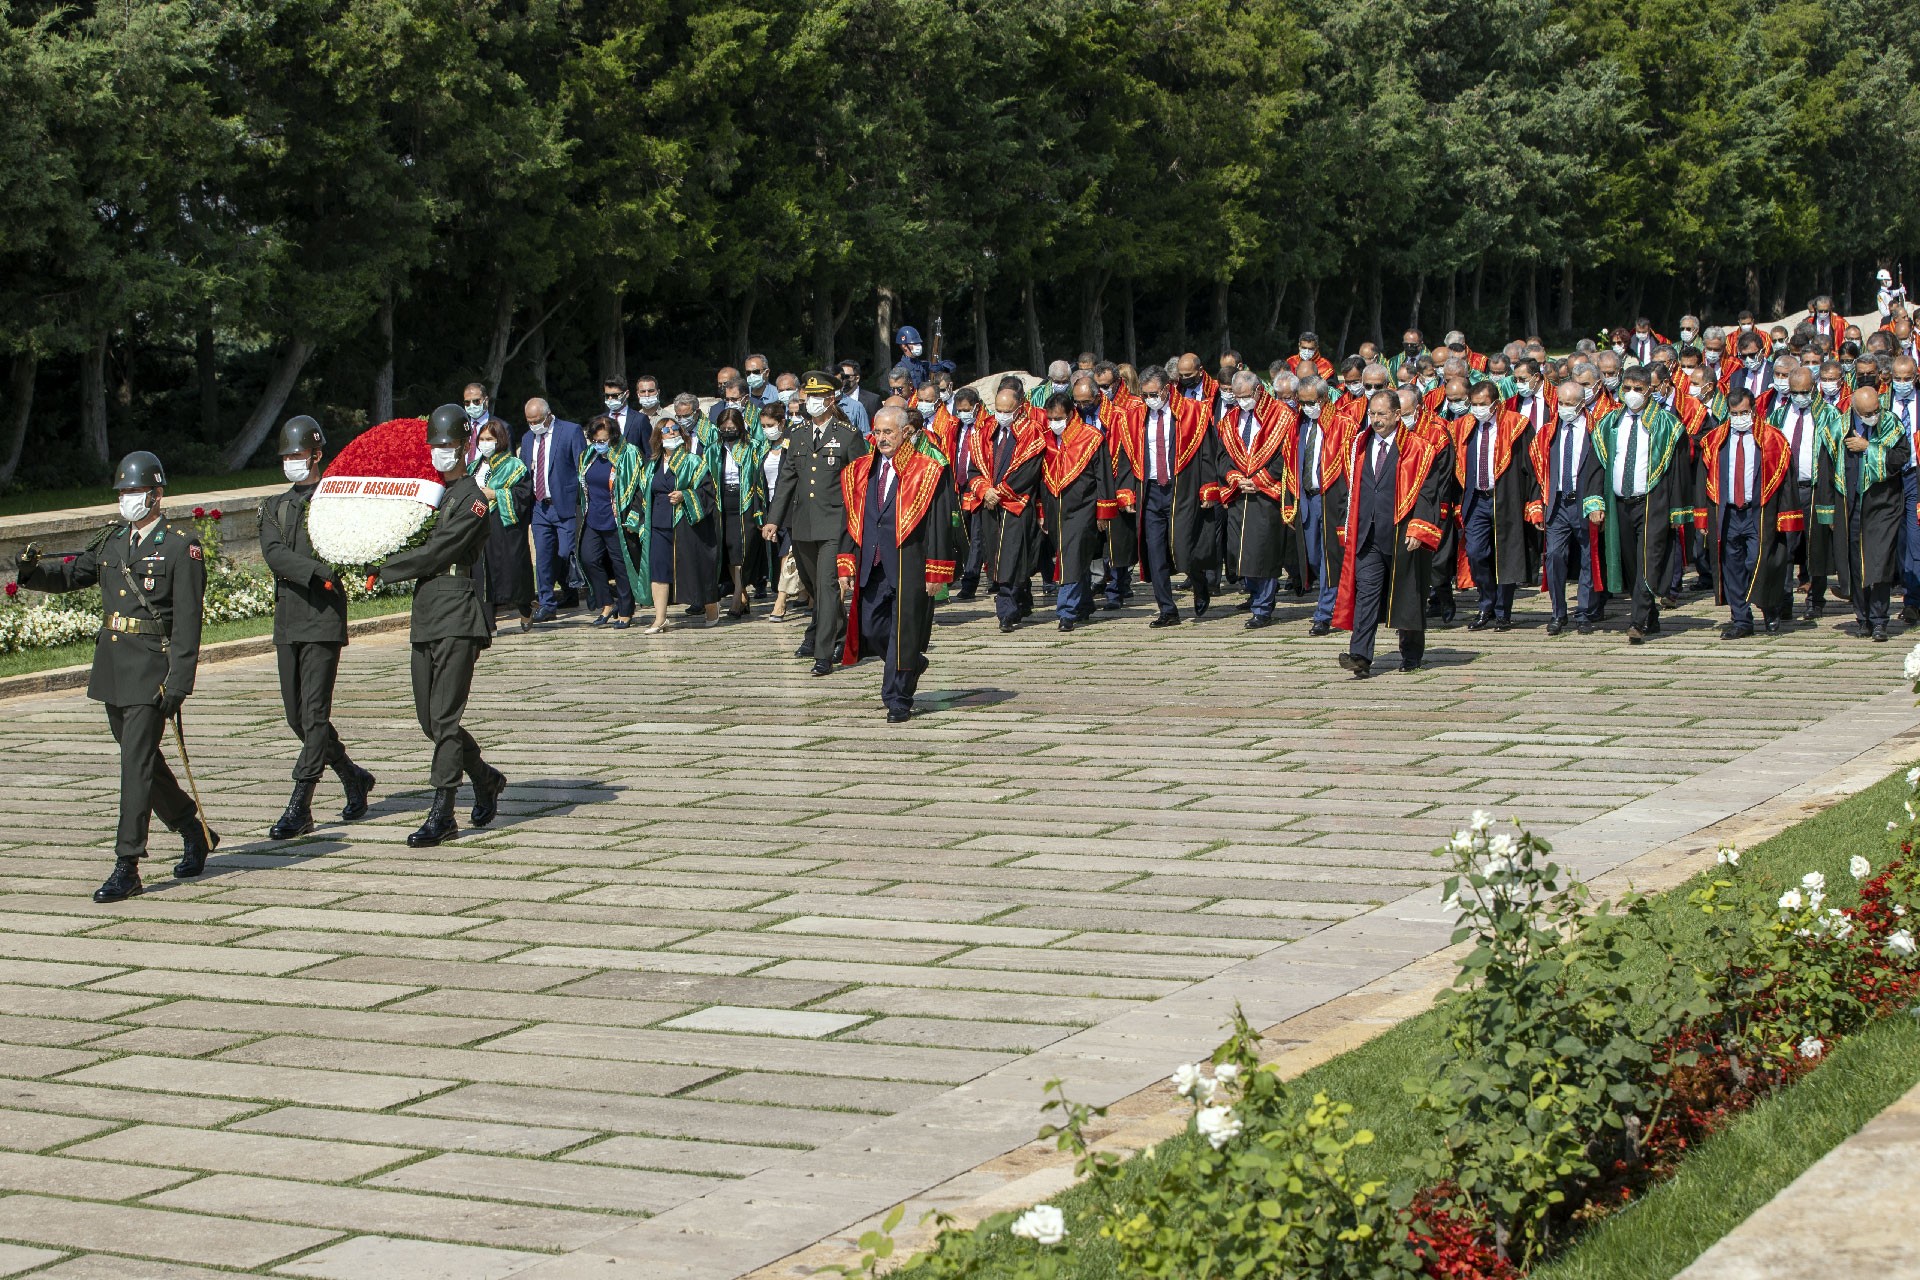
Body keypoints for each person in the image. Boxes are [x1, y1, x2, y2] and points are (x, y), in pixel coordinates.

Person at [15, 451, 214, 901]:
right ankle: (193, 829)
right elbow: (72, 575)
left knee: (134, 764)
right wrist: (31, 573)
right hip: (113, 668)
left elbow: (188, 622)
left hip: (151, 670)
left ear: (156, 494)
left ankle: (128, 864)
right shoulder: (111, 542)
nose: (127, 499)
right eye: (122, 492)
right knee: (142, 761)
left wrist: (180, 681)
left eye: (135, 491)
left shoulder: (182, 545)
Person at [369, 406, 505, 848]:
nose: (440, 453)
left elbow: (440, 550)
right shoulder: (433, 496)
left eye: (448, 445)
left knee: (445, 720)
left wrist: (385, 567)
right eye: (435, 446)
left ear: (464, 447)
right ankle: (484, 777)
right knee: (431, 722)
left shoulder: (473, 499)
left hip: (456, 612)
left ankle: (443, 811)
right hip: (427, 612)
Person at [258, 417, 377, 840]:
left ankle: (301, 804)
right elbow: (273, 554)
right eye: (286, 456)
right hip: (289, 617)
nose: (291, 462)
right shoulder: (275, 506)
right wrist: (317, 572)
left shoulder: (336, 498)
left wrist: (331, 574)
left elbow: (355, 539)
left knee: (314, 714)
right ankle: (351, 774)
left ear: (315, 454)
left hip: (323, 617)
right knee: (297, 718)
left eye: (297, 455)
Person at [835, 406, 956, 722]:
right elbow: (851, 521)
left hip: (910, 565)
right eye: (878, 432)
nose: (882, 438)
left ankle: (898, 699)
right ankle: (911, 661)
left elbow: (940, 526)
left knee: (904, 633)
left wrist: (937, 570)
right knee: (872, 628)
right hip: (872, 566)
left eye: (889, 432)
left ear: (906, 433)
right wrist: (846, 564)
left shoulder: (929, 470)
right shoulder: (860, 470)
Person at [1333, 392, 1446, 677]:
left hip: (1402, 532)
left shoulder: (1418, 448)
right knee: (1366, 594)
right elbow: (1350, 488)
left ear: (1397, 415)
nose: (1376, 420)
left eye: (1382, 414)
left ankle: (1411, 654)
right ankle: (1360, 655)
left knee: (1408, 595)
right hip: (1367, 534)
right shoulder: (1358, 444)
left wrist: (1419, 527)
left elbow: (1427, 492)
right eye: (1372, 414)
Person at [766, 371, 867, 673]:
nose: (811, 402)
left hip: (835, 524)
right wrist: (774, 519)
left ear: (831, 399)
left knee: (826, 587)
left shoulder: (848, 435)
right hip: (803, 524)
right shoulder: (796, 435)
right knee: (812, 586)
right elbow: (787, 480)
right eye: (808, 397)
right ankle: (843, 632)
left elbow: (859, 482)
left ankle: (823, 654)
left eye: (817, 397)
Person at [1589, 367, 1691, 643]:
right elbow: (1597, 465)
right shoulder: (1609, 423)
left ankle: (1637, 622)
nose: (1632, 394)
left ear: (1650, 390)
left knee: (1649, 560)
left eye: (1638, 388)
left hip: (1652, 502)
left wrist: (1677, 510)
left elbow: (1679, 473)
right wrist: (1595, 502)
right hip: (1620, 502)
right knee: (1632, 563)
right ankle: (1650, 615)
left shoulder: (1667, 425)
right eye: (1627, 388)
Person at [1119, 367, 1221, 626]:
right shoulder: (1135, 417)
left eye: (1154, 393)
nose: (1149, 399)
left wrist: (1209, 487)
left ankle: (1199, 583)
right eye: (1145, 395)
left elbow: (1207, 454)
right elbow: (1126, 458)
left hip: (1181, 488)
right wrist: (1126, 492)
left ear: (1167, 388)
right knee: (1154, 552)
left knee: (1184, 548)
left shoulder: (1193, 412)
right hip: (1150, 490)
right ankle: (1168, 609)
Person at [1696, 389, 1795, 639]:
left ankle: (1770, 607)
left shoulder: (1773, 440)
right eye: (1734, 413)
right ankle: (1741, 619)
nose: (1740, 418)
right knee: (1732, 567)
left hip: (1758, 513)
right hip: (1727, 513)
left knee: (1758, 562)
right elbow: (1702, 483)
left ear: (1754, 410)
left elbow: (1785, 483)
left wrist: (1786, 518)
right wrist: (1702, 519)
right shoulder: (1715, 440)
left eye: (1744, 413)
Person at [1214, 371, 1294, 629]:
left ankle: (1263, 606)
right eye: (1237, 398)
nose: (1242, 402)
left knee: (1264, 551)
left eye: (1246, 397)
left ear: (1259, 391)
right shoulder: (1229, 420)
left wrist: (1261, 479)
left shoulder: (1282, 416)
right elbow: (1222, 455)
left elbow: (1286, 454)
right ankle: (1253, 594)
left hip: (1266, 493)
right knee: (1240, 551)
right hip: (1239, 493)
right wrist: (1235, 477)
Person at [1454, 381, 1535, 631]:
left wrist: (1532, 501)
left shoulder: (1515, 425)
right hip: (1477, 498)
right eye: (1474, 405)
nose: (1478, 409)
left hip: (1505, 498)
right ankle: (1486, 602)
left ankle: (1502, 611)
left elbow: (1529, 467)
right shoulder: (1464, 427)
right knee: (1476, 553)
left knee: (1505, 555)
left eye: (1483, 404)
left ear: (1496, 403)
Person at [1527, 380, 1605, 636]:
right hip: (1557, 503)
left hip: (1584, 502)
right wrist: (1537, 505)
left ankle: (1584, 612)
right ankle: (1558, 613)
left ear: (1582, 404)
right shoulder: (1548, 433)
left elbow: (1602, 470)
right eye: (1561, 403)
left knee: (1586, 558)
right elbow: (1537, 473)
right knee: (1554, 558)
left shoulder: (1596, 430)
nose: (1564, 408)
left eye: (1570, 404)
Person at [967, 386, 1047, 632]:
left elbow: (1029, 472)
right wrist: (984, 491)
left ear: (1019, 407)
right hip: (989, 506)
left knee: (1011, 557)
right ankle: (1021, 600)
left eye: (1007, 411)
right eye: (998, 410)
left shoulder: (1031, 433)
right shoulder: (984, 432)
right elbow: (974, 469)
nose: (1002, 415)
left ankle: (1006, 609)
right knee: (996, 556)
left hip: (1016, 504)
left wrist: (999, 493)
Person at [1836, 384, 1909, 641]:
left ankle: (1879, 620)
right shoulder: (1839, 426)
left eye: (1876, 410)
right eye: (1867, 413)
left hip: (1883, 504)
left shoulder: (1891, 423)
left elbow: (1902, 457)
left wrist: (1869, 447)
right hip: (1853, 503)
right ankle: (1862, 617)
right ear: (1855, 409)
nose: (1873, 416)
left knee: (1878, 563)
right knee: (1857, 563)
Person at [1038, 391, 1116, 632]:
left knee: (1070, 557)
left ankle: (1066, 611)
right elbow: (1041, 479)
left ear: (1071, 414)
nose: (1054, 423)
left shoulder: (1090, 438)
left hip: (1084, 507)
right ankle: (1084, 604)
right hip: (1056, 508)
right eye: (1050, 418)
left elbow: (1104, 477)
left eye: (1058, 417)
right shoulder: (1047, 439)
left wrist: (1104, 511)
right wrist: (1042, 510)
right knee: (1074, 556)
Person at [633, 412, 715, 632]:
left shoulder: (693, 461)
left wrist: (685, 496)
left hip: (686, 523)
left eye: (675, 429)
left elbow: (707, 492)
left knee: (694, 566)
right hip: (658, 523)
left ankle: (710, 606)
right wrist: (637, 521)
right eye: (665, 430)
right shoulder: (651, 465)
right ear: (658, 437)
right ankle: (660, 618)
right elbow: (641, 494)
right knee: (659, 569)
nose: (671, 433)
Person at [518, 397, 585, 622]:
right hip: (539, 506)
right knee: (544, 556)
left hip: (564, 503)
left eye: (538, 420)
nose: (534, 425)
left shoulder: (570, 431)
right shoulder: (528, 439)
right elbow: (524, 471)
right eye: (529, 421)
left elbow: (582, 467)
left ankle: (571, 588)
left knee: (565, 552)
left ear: (549, 415)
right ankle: (547, 603)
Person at [574, 415, 643, 628]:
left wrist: (633, 518)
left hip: (616, 519)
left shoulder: (629, 454)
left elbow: (639, 488)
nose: (599, 445)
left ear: (612, 437)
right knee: (588, 558)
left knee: (620, 565)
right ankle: (606, 602)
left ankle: (626, 609)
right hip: (593, 517)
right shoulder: (588, 455)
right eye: (595, 441)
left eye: (603, 441)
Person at [471, 417, 533, 632]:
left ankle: (525, 609)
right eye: (482, 438)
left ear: (500, 440)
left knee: (512, 570)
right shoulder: (474, 466)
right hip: (479, 526)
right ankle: (488, 623)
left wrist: (496, 493)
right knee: (482, 574)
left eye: (490, 438)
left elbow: (524, 495)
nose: (485, 442)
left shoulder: (514, 466)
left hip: (505, 526)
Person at [714, 405, 768, 617]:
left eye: (731, 427)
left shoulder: (752, 447)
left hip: (745, 499)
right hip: (722, 499)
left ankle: (737, 598)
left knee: (741, 549)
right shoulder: (714, 449)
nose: (728, 431)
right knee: (727, 549)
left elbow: (759, 476)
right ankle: (742, 594)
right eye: (723, 427)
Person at [757, 403, 805, 622]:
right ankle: (806, 594)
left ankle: (781, 601)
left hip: (793, 504)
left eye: (771, 425)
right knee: (785, 553)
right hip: (772, 505)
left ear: (782, 422)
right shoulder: (762, 447)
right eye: (764, 425)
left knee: (789, 553)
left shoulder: (792, 439)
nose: (768, 429)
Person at [889, 325, 954, 389]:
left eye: (918, 343)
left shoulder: (923, 365)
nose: (918, 346)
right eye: (914, 343)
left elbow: (952, 366)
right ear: (904, 346)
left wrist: (941, 366)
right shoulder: (899, 368)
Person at [603, 377, 648, 454]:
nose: (610, 399)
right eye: (607, 396)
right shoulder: (601, 419)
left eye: (615, 395)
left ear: (626, 394)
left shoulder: (640, 419)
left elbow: (649, 452)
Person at [837, 359, 879, 431]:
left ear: (857, 378)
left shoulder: (872, 401)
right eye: (841, 377)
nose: (843, 380)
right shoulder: (833, 400)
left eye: (847, 377)